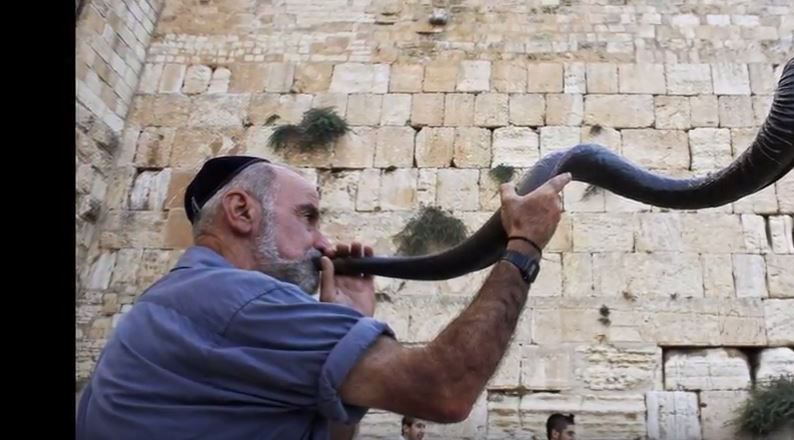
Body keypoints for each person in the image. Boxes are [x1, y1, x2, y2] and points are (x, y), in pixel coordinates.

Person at [75, 155, 573, 439]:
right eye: (308, 216)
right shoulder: (236, 301)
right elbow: (444, 390)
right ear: (242, 212)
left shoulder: (182, 299)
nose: (321, 242)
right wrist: (524, 247)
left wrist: (345, 330)